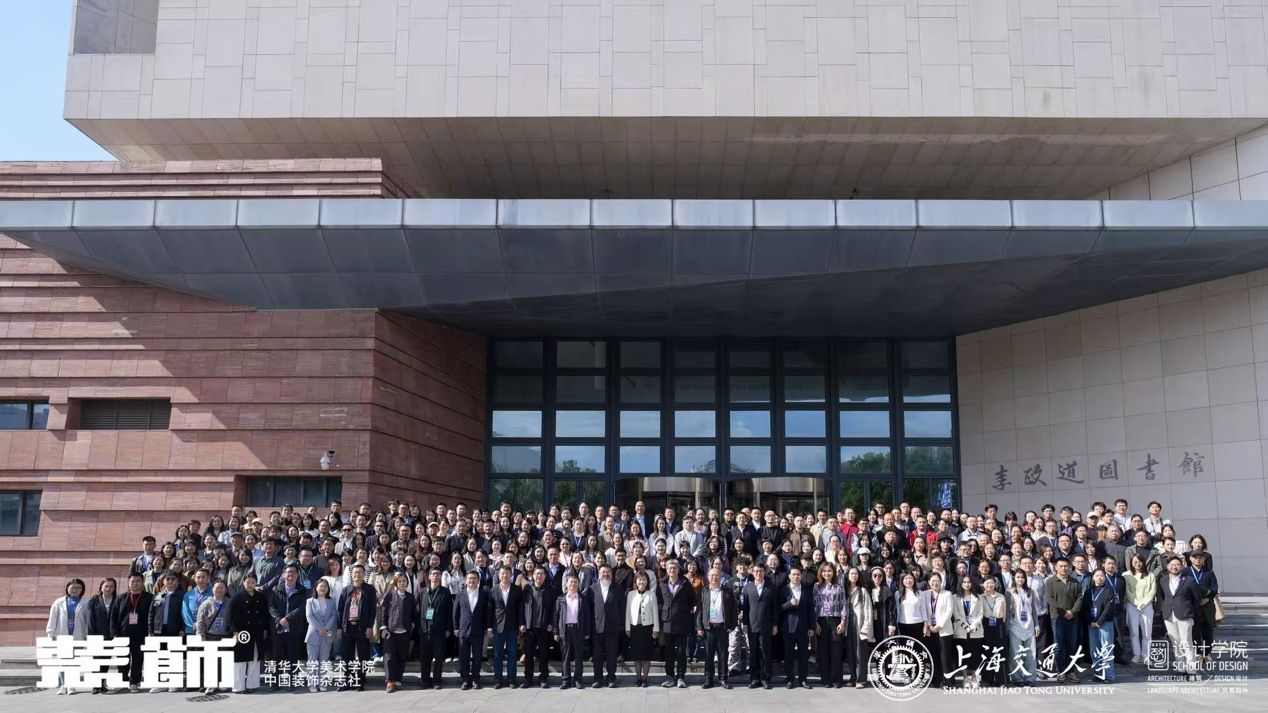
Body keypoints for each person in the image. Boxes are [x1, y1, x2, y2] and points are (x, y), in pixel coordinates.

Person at [266, 565, 308, 690]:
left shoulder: (302, 591)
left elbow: (301, 608)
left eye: (293, 572)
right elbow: (271, 607)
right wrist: (279, 619)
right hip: (278, 628)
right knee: (276, 657)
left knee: (292, 657)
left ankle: (291, 682)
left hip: (294, 628)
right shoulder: (275, 589)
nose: (291, 574)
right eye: (288, 572)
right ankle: (275, 682)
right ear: (284, 575)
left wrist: (288, 619)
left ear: (297, 575)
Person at [1159, 555, 1201, 678]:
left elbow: (1197, 598)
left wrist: (1189, 610)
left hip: (1185, 615)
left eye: (1177, 564)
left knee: (1186, 642)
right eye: (1172, 565)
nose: (1174, 567)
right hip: (1168, 615)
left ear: (1182, 566)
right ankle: (1181, 668)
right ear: (1168, 567)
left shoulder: (1189, 580)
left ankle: (1191, 670)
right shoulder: (1163, 580)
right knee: (1175, 643)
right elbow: (1163, 596)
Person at [1044, 558, 1083, 683]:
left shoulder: (1075, 582)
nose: (1064, 568)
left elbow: (1080, 598)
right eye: (1061, 566)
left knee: (1072, 645)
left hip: (1073, 618)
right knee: (1059, 646)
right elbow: (1050, 599)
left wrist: (1072, 611)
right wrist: (1064, 612)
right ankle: (1060, 671)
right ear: (1056, 567)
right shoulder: (1050, 582)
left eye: (1066, 566)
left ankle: (1071, 671)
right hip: (1057, 617)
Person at [228, 572, 268, 694]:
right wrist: (235, 632)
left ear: (256, 583)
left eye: (253, 582)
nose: (250, 585)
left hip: (257, 631)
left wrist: (265, 629)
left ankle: (252, 685)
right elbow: (232, 617)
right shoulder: (237, 598)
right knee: (240, 660)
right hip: (242, 632)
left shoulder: (260, 597)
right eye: (248, 582)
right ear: (243, 583)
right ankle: (238, 686)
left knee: (254, 659)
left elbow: (264, 615)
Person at [46, 578, 88, 695]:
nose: (75, 590)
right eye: (73, 587)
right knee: (63, 661)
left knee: (75, 661)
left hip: (78, 636)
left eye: (78, 588)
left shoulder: (86, 602)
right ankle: (64, 685)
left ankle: (72, 685)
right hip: (62, 635)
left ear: (82, 589)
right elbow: (53, 618)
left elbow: (88, 620)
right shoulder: (58, 602)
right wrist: (50, 633)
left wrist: (87, 635)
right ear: (67, 588)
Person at [658, 558, 696, 688]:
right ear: (666, 570)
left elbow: (692, 600)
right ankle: (669, 676)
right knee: (668, 652)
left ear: (678, 569)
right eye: (670, 568)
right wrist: (664, 611)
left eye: (674, 568)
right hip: (667, 622)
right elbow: (658, 601)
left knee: (681, 652)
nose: (672, 570)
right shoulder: (662, 584)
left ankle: (680, 677)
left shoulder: (685, 583)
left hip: (682, 622)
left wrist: (684, 611)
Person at [337, 564, 376, 690]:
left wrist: (370, 627)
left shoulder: (369, 589)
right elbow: (340, 609)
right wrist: (339, 627)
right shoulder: (346, 590)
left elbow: (373, 610)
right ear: (351, 575)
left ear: (364, 574)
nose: (357, 575)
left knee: (363, 655)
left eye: (360, 572)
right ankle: (348, 680)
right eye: (355, 572)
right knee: (347, 656)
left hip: (362, 627)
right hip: (348, 627)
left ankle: (360, 680)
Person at [697, 566, 736, 689]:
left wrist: (732, 626)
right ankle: (708, 679)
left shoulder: (727, 591)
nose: (714, 577)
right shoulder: (704, 591)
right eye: (712, 575)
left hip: (722, 628)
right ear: (708, 577)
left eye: (717, 575)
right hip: (708, 628)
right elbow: (699, 610)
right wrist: (699, 627)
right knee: (708, 655)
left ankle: (723, 678)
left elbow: (734, 609)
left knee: (723, 655)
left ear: (721, 577)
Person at [113, 574, 152, 693]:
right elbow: (114, 617)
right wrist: (115, 633)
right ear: (129, 583)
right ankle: (123, 682)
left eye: (138, 581)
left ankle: (134, 682)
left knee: (138, 659)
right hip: (123, 634)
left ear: (142, 582)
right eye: (132, 581)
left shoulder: (149, 598)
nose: (135, 583)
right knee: (122, 659)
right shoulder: (121, 598)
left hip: (141, 634)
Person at [742, 559, 778, 689]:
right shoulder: (748, 588)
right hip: (752, 626)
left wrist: (775, 625)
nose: (758, 573)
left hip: (766, 626)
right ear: (752, 572)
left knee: (766, 653)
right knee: (753, 653)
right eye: (756, 571)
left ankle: (766, 679)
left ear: (764, 572)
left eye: (761, 571)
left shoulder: (771, 588)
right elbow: (745, 608)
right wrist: (745, 624)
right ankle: (754, 678)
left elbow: (775, 608)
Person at [453, 569, 492, 690]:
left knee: (477, 657)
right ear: (466, 580)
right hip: (463, 630)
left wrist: (488, 627)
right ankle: (465, 680)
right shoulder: (460, 594)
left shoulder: (484, 594)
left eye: (474, 578)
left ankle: (475, 679)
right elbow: (455, 612)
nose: (472, 580)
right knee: (463, 657)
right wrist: (455, 627)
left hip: (478, 630)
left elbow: (487, 612)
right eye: (470, 578)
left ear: (478, 580)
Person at [588, 563, 625, 688]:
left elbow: (622, 608)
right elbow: (589, 609)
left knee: (612, 654)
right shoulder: (592, 589)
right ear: (599, 574)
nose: (606, 574)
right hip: (597, 627)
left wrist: (621, 625)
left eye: (608, 572)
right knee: (597, 655)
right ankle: (598, 679)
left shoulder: (618, 588)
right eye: (603, 572)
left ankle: (611, 678)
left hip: (613, 627)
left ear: (611, 574)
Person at [148, 573, 185, 692]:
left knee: (174, 655)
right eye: (167, 579)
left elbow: (184, 614)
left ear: (177, 582)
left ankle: (174, 682)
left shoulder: (181, 596)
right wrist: (150, 631)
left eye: (173, 579)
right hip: (159, 630)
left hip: (174, 630)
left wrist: (182, 629)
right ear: (163, 581)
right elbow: (151, 614)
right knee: (161, 656)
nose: (170, 581)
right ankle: (161, 683)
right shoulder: (157, 596)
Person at [417, 567, 453, 690]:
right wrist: (419, 627)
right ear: (429, 576)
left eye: (438, 574)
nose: (435, 576)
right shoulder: (422, 592)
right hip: (425, 629)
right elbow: (417, 610)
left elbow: (449, 612)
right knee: (424, 658)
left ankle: (437, 680)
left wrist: (448, 628)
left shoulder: (445, 592)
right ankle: (425, 680)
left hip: (439, 629)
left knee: (438, 657)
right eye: (433, 574)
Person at [380, 573, 416, 692]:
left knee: (402, 656)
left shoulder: (410, 597)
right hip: (390, 631)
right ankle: (390, 681)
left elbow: (413, 613)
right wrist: (384, 628)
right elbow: (384, 612)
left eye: (404, 581)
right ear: (396, 583)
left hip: (404, 631)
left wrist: (412, 625)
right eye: (399, 581)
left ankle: (398, 679)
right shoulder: (389, 596)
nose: (402, 583)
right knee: (389, 656)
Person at [194, 580, 232, 694]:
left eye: (222, 587)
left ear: (226, 590)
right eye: (217, 587)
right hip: (211, 635)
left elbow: (235, 618)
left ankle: (222, 683)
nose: (219, 590)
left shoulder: (230, 602)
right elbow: (200, 620)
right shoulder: (207, 603)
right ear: (212, 589)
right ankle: (210, 684)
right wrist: (201, 635)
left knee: (223, 661)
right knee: (210, 661)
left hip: (225, 636)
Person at [521, 566, 556, 688]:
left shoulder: (550, 590)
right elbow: (521, 607)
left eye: (541, 574)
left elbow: (554, 609)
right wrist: (522, 623)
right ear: (533, 575)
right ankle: (528, 678)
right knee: (528, 654)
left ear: (545, 576)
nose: (539, 576)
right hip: (529, 627)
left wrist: (551, 623)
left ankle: (543, 678)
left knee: (543, 654)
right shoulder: (527, 589)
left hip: (544, 627)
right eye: (537, 573)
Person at [780, 566, 814, 689]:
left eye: (798, 574)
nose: (796, 577)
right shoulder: (784, 590)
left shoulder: (806, 590)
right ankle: (789, 679)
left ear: (801, 576)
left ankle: (803, 679)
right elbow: (779, 608)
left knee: (803, 656)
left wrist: (811, 627)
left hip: (803, 628)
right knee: (788, 656)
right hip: (788, 627)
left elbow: (811, 610)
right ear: (789, 576)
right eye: (793, 574)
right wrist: (790, 604)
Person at [488, 564, 522, 689]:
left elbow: (520, 608)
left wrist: (521, 624)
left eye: (507, 573)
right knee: (498, 655)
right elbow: (490, 610)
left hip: (513, 626)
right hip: (498, 626)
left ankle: (512, 679)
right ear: (498, 575)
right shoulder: (494, 589)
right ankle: (498, 679)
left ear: (511, 575)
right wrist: (489, 627)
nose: (505, 575)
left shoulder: (517, 589)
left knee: (512, 654)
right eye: (502, 573)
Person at [1184, 550, 1218, 667]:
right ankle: (1198, 653)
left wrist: (1207, 599)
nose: (1197, 559)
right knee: (1195, 631)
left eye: (1200, 557)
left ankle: (1207, 654)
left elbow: (1214, 588)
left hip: (1207, 606)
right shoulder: (1186, 571)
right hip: (1192, 606)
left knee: (1208, 631)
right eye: (1195, 557)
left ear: (1204, 559)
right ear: (1190, 559)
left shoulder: (1209, 572)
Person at [813, 562, 845, 688]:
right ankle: (826, 679)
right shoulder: (817, 586)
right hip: (821, 620)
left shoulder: (839, 586)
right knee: (823, 651)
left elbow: (843, 604)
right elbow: (814, 605)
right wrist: (815, 623)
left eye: (829, 571)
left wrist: (843, 621)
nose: (827, 573)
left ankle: (836, 679)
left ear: (833, 572)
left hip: (835, 620)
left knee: (836, 650)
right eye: (824, 571)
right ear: (821, 573)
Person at [626, 570, 659, 688]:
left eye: (644, 579)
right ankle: (638, 678)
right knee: (637, 656)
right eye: (639, 579)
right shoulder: (631, 594)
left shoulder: (651, 594)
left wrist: (656, 629)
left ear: (647, 582)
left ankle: (645, 679)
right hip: (635, 628)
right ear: (635, 581)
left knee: (646, 656)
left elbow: (655, 612)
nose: (641, 582)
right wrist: (627, 627)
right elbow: (628, 612)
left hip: (647, 628)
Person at [84, 578, 118, 693]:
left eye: (111, 586)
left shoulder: (117, 600)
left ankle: (102, 684)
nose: (108, 588)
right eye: (106, 586)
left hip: (111, 636)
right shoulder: (94, 601)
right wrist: (91, 637)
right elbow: (90, 621)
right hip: (97, 635)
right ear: (101, 587)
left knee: (106, 661)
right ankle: (95, 685)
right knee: (96, 661)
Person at [304, 578, 338, 692]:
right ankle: (312, 683)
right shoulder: (310, 601)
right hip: (313, 633)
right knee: (312, 660)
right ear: (316, 588)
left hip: (327, 634)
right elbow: (309, 617)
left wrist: (326, 628)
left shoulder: (332, 601)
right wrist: (320, 629)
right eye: (321, 586)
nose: (323, 588)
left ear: (328, 589)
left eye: (325, 586)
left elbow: (334, 615)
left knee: (324, 660)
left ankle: (322, 682)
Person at [555, 574, 588, 689]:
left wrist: (587, 631)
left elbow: (587, 616)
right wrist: (555, 631)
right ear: (566, 584)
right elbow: (556, 616)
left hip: (578, 630)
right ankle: (566, 679)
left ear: (578, 584)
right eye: (571, 582)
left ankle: (578, 679)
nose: (573, 584)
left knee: (579, 657)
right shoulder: (561, 599)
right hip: (565, 630)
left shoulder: (583, 598)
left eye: (575, 582)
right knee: (566, 656)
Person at [1006, 570, 1039, 686]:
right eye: (1018, 577)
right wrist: (1006, 627)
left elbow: (1034, 610)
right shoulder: (1009, 592)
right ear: (1014, 578)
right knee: (1016, 653)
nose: (1020, 579)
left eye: (1022, 577)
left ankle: (1030, 677)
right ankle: (1017, 678)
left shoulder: (1030, 591)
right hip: (1015, 626)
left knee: (1031, 653)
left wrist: (1036, 625)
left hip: (1029, 626)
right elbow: (1007, 612)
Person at [1084, 569, 1117, 683]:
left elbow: (1108, 608)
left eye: (1102, 576)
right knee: (1094, 650)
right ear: (1093, 577)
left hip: (1105, 623)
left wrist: (1099, 621)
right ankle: (1098, 673)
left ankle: (1108, 676)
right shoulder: (1089, 591)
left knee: (1106, 649)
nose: (1099, 578)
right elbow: (1085, 608)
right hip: (1091, 624)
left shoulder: (1109, 591)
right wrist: (1090, 621)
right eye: (1097, 575)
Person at [844, 566, 874, 688]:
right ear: (848, 575)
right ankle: (852, 678)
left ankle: (861, 679)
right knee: (851, 652)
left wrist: (866, 627)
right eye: (851, 573)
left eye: (856, 573)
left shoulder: (863, 591)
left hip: (859, 623)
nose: (854, 576)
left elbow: (868, 610)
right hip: (848, 623)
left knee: (860, 653)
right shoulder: (845, 590)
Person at [950, 575, 983, 688]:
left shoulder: (978, 597)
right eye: (964, 582)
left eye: (969, 582)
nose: (967, 584)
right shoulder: (955, 597)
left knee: (975, 655)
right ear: (960, 584)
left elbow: (980, 614)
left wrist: (973, 626)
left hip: (975, 630)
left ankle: (974, 677)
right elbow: (956, 615)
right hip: (961, 630)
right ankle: (965, 678)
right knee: (963, 655)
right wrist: (966, 627)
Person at [1124, 553, 1156, 665]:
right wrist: (1137, 603)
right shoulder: (1126, 575)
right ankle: (1136, 654)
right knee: (1134, 632)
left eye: (1139, 561)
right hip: (1132, 606)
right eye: (1135, 562)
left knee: (1147, 633)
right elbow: (1128, 592)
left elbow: (1152, 591)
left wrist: (1144, 603)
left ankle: (1146, 655)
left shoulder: (1150, 575)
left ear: (1143, 562)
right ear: (1131, 563)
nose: (1137, 564)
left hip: (1147, 606)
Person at [978, 575, 1007, 687]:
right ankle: (987, 678)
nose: (990, 585)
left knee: (999, 651)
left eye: (992, 583)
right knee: (987, 651)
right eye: (987, 583)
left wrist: (1002, 624)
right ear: (983, 584)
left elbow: (1005, 613)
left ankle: (1001, 679)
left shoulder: (1001, 596)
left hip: (998, 624)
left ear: (995, 584)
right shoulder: (981, 597)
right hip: (985, 624)